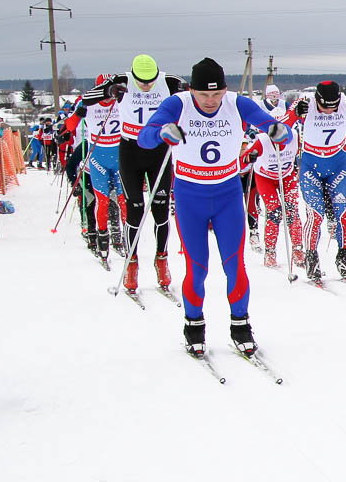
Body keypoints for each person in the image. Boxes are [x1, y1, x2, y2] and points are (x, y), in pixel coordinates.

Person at [138, 57, 291, 357]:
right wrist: (162, 132)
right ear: (191, 90)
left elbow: (268, 122)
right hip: (189, 195)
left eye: (216, 94)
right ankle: (194, 325)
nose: (210, 101)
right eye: (203, 95)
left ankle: (240, 325)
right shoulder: (178, 104)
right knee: (198, 267)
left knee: (234, 263)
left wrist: (277, 132)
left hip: (227, 194)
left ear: (225, 90)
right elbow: (144, 138)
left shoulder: (236, 103)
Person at [286, 81, 346, 282]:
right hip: (311, 165)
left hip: (338, 164)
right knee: (315, 214)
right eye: (325, 107)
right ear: (316, 100)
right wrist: (294, 114)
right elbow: (280, 126)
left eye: (333, 107)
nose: (329, 111)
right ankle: (311, 257)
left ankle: (344, 256)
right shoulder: (304, 102)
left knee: (343, 212)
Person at [117, 55, 184, 293]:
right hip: (130, 150)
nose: (146, 86)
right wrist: (109, 93)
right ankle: (131, 263)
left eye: (150, 81)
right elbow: (93, 95)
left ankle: (161, 259)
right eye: (141, 82)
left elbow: (193, 96)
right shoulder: (122, 80)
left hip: (159, 152)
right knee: (134, 208)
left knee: (160, 209)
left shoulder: (170, 81)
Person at [65, 74, 128, 264]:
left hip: (119, 157)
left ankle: (126, 238)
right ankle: (101, 239)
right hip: (98, 158)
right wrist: (78, 114)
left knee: (123, 201)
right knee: (102, 201)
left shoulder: (121, 102)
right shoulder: (88, 102)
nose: (109, 94)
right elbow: (69, 126)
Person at [244, 116, 303, 269]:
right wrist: (250, 157)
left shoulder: (295, 137)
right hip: (265, 178)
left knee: (292, 210)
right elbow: (244, 157)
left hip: (287, 175)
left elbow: (304, 152)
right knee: (274, 212)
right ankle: (270, 252)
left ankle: (297, 249)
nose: (283, 144)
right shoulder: (262, 141)